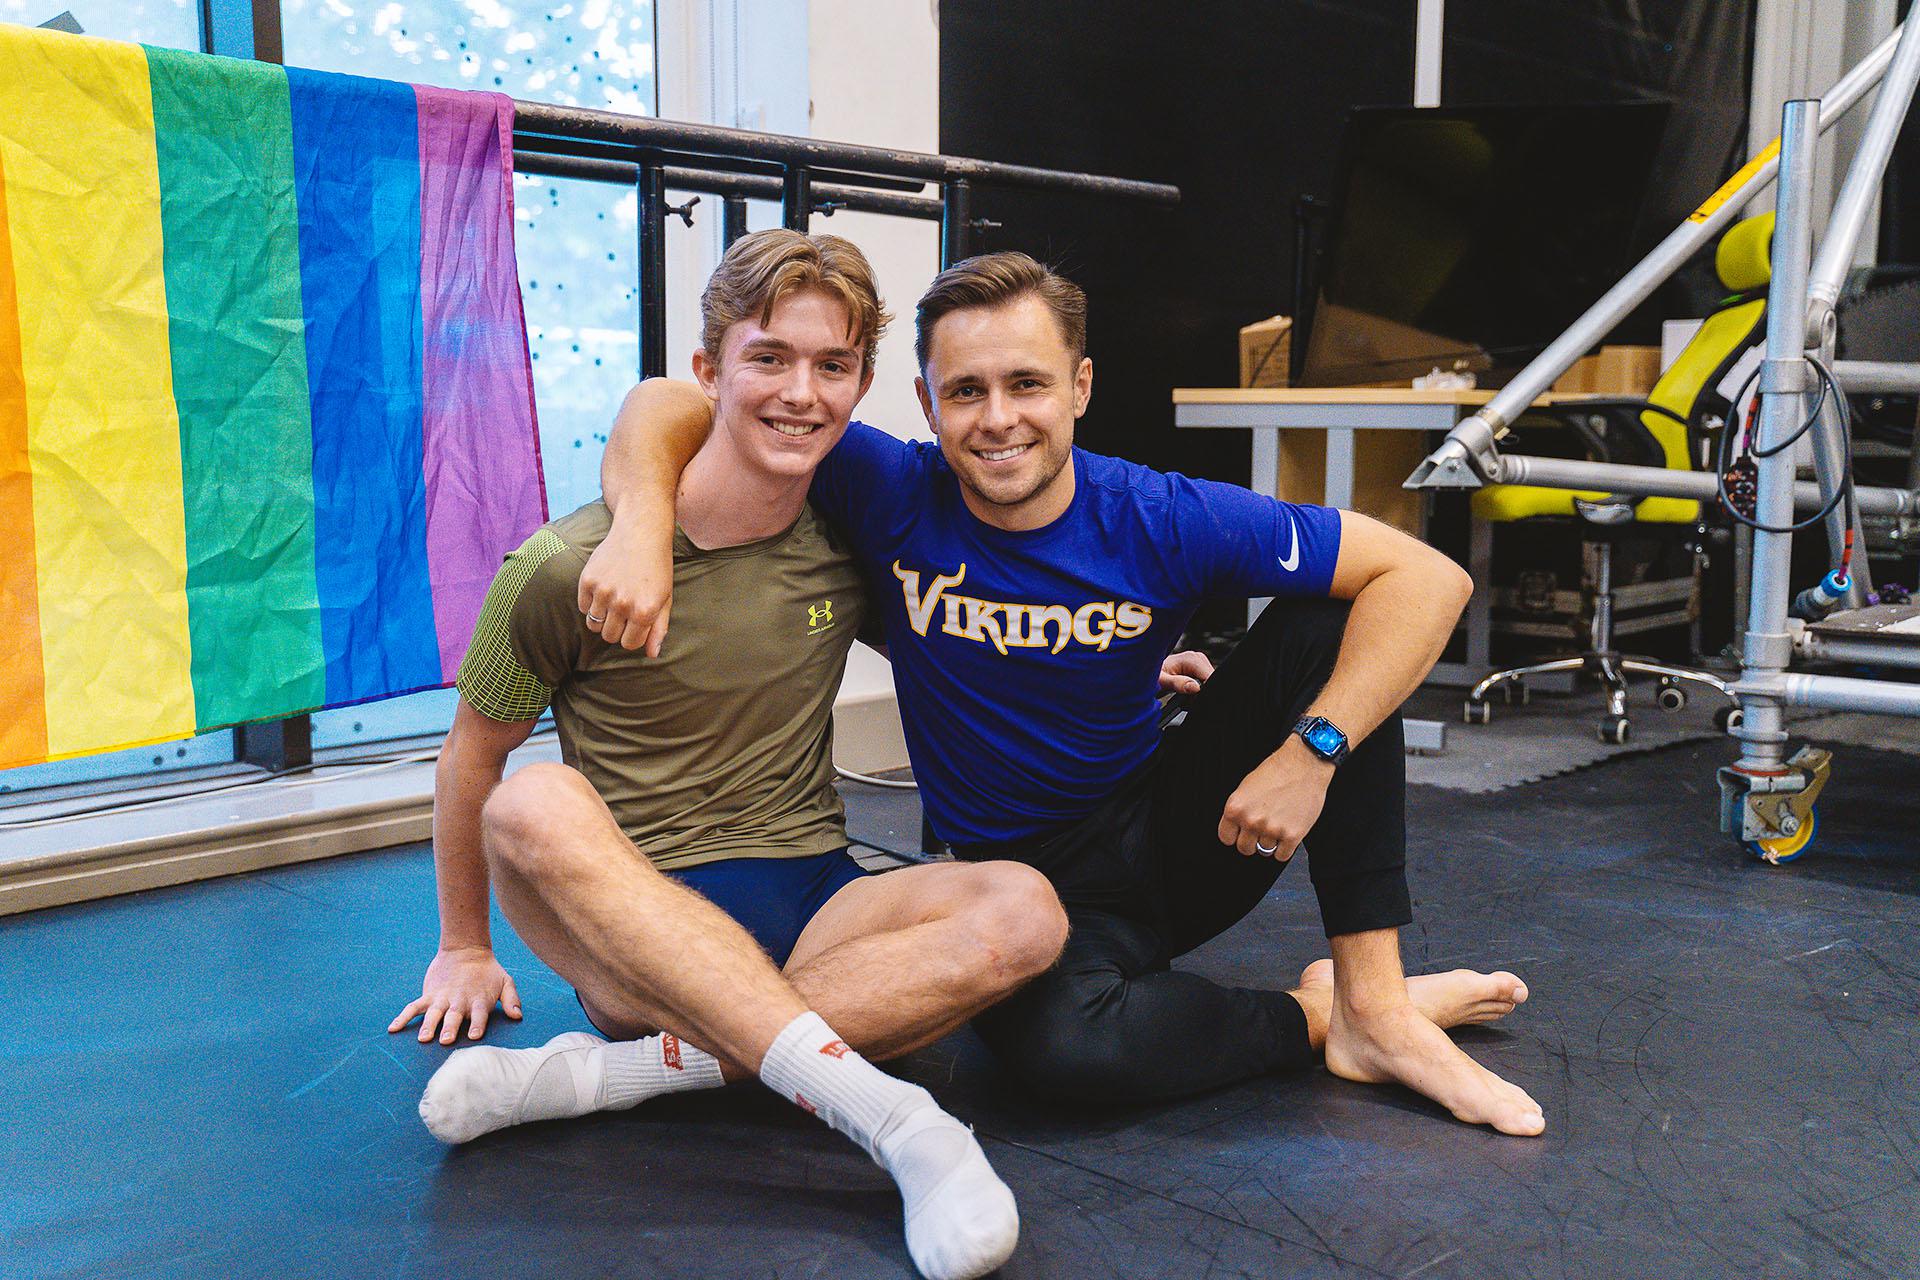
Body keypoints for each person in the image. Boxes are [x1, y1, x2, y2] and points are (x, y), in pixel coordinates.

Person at [586, 251, 1546, 1138]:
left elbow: (1427, 580)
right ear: (925, 401)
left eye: (1028, 383)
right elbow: (670, 401)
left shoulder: (1160, 515)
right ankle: (1317, 1015)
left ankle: (1377, 1005)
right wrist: (639, 524)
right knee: (1065, 1056)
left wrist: (1311, 752)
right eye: (966, 390)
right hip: (1015, 887)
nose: (998, 417)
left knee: (1331, 628)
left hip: (1175, 835)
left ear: (1080, 387)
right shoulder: (885, 487)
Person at [389, 231, 1069, 1280]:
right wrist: (463, 945)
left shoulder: (848, 548)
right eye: (769, 359)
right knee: (532, 802)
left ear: (859, 387)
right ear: (709, 372)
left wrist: (1130, 667)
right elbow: (471, 756)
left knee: (1027, 909)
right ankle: (898, 1119)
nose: (801, 392)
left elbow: (964, 629)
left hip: (817, 895)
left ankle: (614, 1078)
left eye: (832, 366)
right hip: (638, 927)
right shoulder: (561, 566)